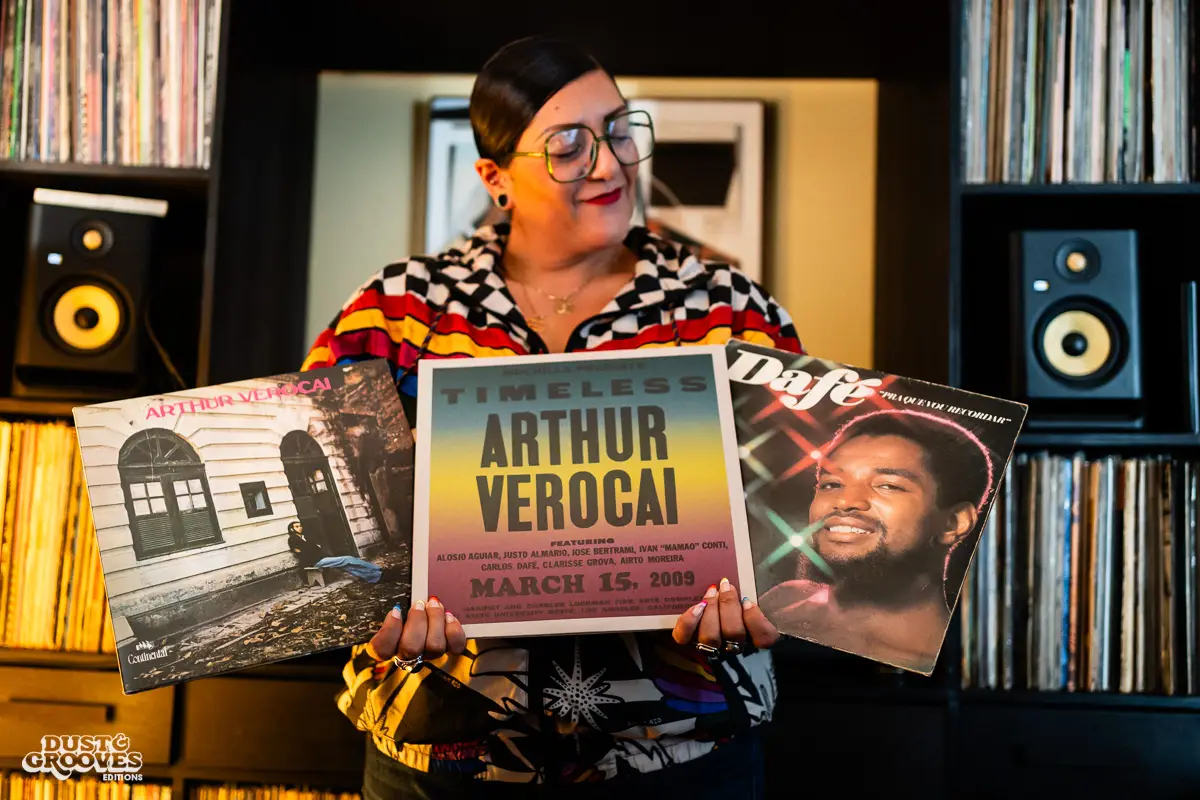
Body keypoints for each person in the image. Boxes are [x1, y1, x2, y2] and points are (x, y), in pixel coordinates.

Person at [300, 36, 803, 797]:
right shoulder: (397, 311)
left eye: (620, 131)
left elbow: (800, 508)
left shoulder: (728, 307)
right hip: (441, 750)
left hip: (677, 754)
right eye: (568, 145)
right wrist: (367, 604)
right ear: (495, 179)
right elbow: (322, 503)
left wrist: (776, 596)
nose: (608, 165)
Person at [758, 409, 994, 674]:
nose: (845, 502)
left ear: (954, 522)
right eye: (832, 484)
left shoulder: (940, 665)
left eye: (888, 485)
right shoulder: (781, 603)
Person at [286, 520, 404, 584]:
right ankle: (377, 569)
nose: (300, 527)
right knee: (347, 558)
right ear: (292, 529)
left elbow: (315, 548)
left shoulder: (305, 537)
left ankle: (374, 577)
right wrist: (313, 547)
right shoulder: (293, 539)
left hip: (320, 558)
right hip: (314, 561)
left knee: (346, 565)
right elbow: (302, 552)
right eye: (297, 526)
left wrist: (313, 547)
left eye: (300, 525)